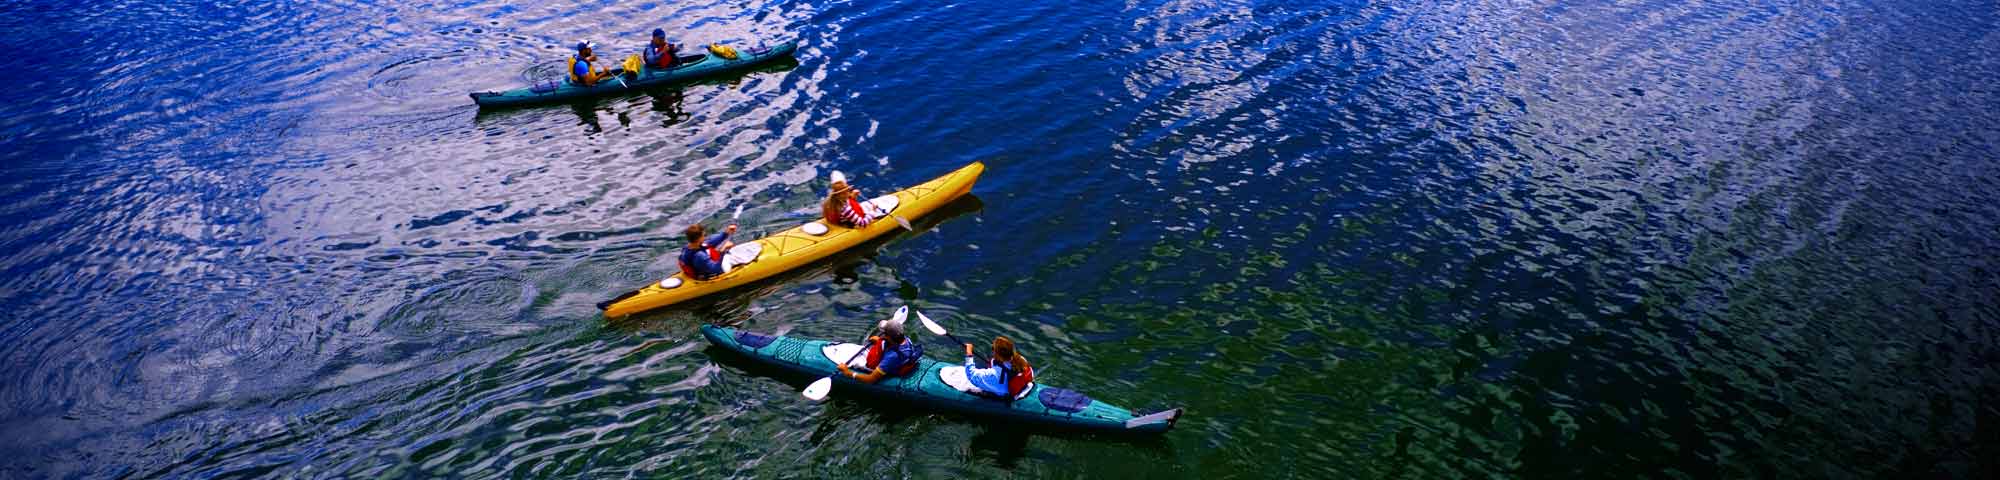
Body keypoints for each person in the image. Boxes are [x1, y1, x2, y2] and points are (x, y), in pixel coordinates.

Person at [836, 314, 925, 383]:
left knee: (860, 365)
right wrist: (880, 340)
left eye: (884, 334)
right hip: (900, 361)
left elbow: (871, 379)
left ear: (889, 337)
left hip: (891, 367)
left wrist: (848, 373)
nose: (882, 335)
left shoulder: (891, 357)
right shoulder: (906, 339)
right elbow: (893, 344)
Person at [962, 336, 1035, 399]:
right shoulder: (1021, 360)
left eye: (993, 348)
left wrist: (969, 353)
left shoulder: (994, 374)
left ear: (997, 354)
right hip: (1023, 388)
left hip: (1004, 395)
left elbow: (971, 375)